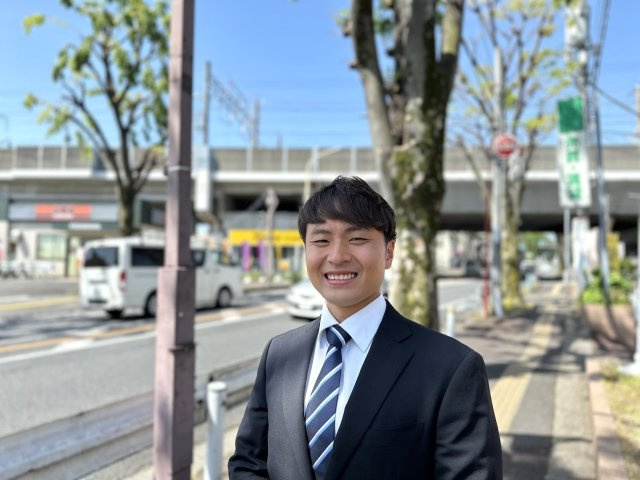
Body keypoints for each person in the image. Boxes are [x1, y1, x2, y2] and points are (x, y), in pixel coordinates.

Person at [229, 176, 502, 480]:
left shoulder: (452, 368)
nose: (337, 256)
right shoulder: (279, 353)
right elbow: (248, 463)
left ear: (389, 252)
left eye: (357, 239)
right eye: (321, 240)